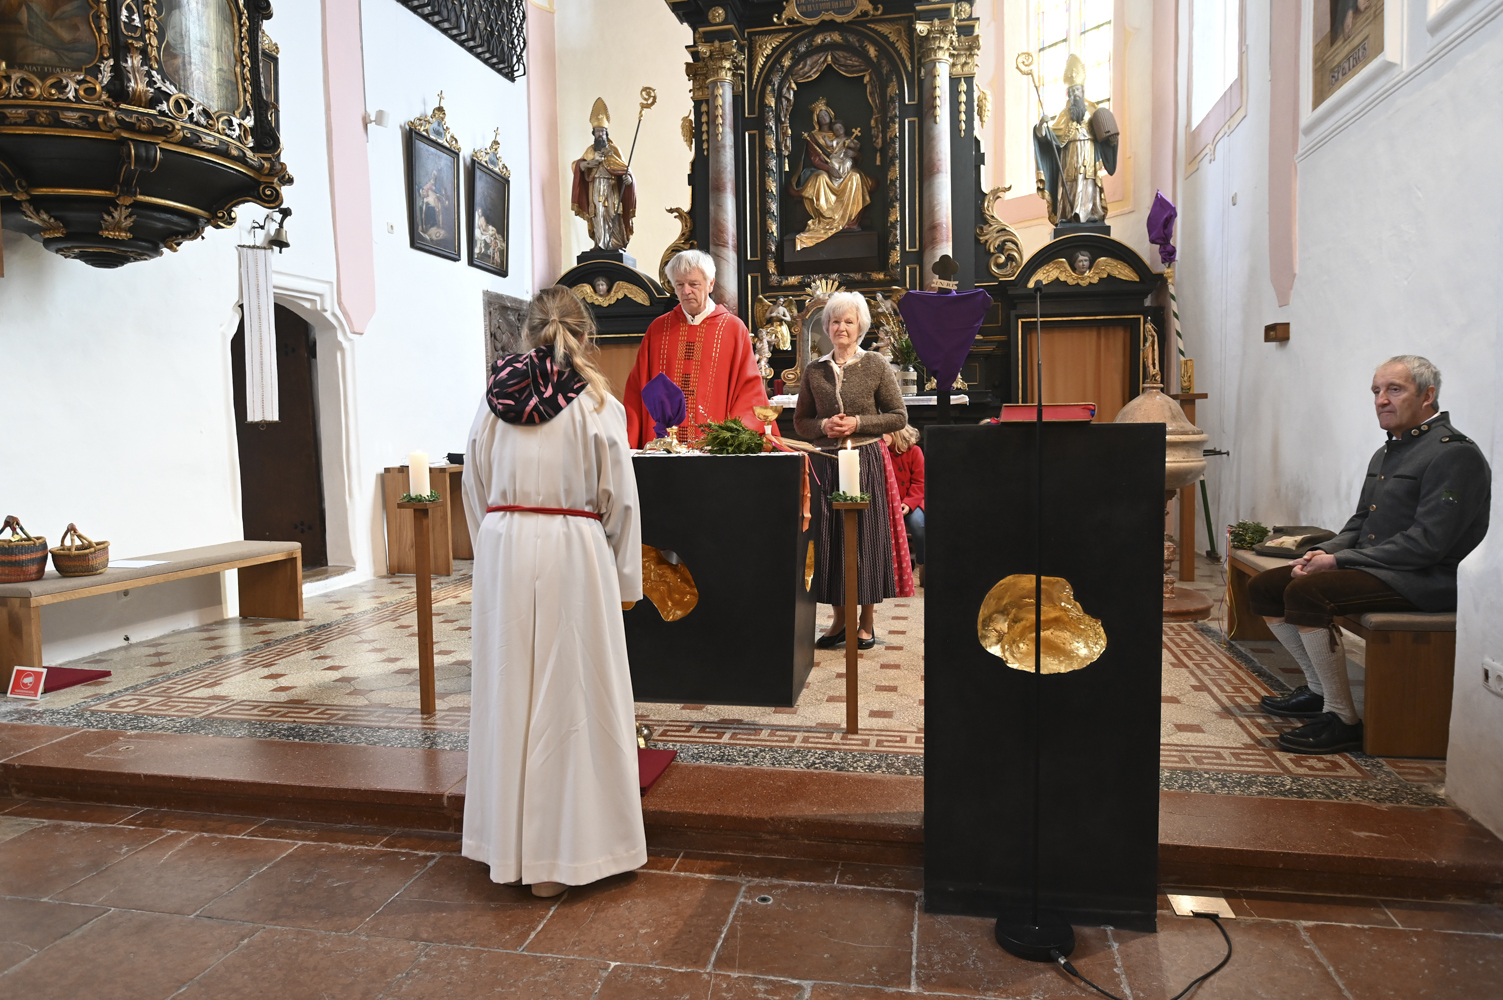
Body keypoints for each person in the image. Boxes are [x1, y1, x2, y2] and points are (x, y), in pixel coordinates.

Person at [461, 286, 646, 897]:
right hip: (573, 551)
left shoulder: (492, 401)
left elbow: (474, 488)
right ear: (585, 334)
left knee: (509, 693)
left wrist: (495, 549)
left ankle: (507, 850)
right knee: (572, 699)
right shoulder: (595, 403)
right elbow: (620, 500)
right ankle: (563, 858)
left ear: (527, 331)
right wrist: (622, 579)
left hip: (506, 547)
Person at [1249, 355, 1490, 754]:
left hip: (1426, 579)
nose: (1381, 400)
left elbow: (1428, 544)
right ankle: (1317, 689)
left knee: (1308, 594)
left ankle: (1342, 717)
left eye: (1394, 390)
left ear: (1428, 395)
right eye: (1377, 391)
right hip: (1382, 569)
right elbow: (1360, 522)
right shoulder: (1388, 452)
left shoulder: (1454, 454)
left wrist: (1340, 561)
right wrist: (1322, 551)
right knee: (1267, 586)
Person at [794, 291, 909, 648]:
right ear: (826, 326)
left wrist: (858, 422)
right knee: (830, 542)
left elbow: (898, 416)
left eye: (848, 321)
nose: (841, 327)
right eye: (835, 321)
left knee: (866, 541)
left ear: (860, 327)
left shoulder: (876, 364)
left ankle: (867, 622)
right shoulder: (814, 370)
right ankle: (840, 620)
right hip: (827, 463)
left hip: (866, 462)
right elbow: (801, 422)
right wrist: (823, 426)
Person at [623, 250, 769, 447]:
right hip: (663, 449)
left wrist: (731, 439)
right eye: (679, 285)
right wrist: (627, 442)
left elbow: (749, 391)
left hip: (713, 450)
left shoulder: (733, 330)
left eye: (693, 284)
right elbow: (637, 389)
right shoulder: (658, 329)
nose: (686, 291)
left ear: (710, 284)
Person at [1033, 54, 1118, 226]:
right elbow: (1050, 137)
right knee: (1070, 185)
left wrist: (1111, 140)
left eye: (1077, 90)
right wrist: (1042, 125)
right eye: (1071, 92)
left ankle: (1091, 212)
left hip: (1088, 156)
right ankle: (1068, 213)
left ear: (1082, 91)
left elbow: (1105, 136)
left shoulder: (1093, 111)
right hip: (1069, 157)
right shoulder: (1064, 114)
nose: (1074, 94)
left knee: (1088, 183)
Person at [570, 98, 636, 252]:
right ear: (594, 133)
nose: (600, 134)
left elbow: (625, 170)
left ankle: (615, 243)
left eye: (603, 131)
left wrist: (628, 179)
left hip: (611, 188)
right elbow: (577, 166)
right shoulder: (590, 151)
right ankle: (600, 243)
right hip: (595, 188)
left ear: (607, 133)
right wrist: (589, 163)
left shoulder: (614, 150)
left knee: (613, 213)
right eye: (598, 131)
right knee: (598, 214)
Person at [886, 425, 925, 583]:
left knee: (918, 524)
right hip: (887, 502)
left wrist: (908, 504)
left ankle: (922, 563)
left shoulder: (914, 451)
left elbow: (920, 482)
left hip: (912, 501)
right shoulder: (881, 452)